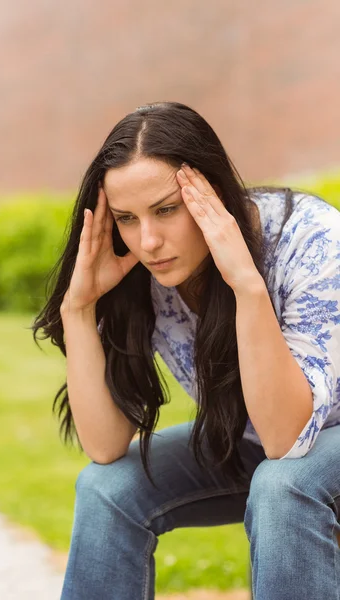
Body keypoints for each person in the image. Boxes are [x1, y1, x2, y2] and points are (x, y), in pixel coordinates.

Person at [32, 101, 340, 600]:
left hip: (311, 438)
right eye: (128, 219)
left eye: (166, 210)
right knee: (106, 489)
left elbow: (286, 439)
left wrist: (246, 284)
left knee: (283, 487)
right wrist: (79, 308)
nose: (148, 240)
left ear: (212, 194)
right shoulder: (145, 273)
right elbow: (105, 445)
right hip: (257, 439)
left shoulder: (314, 241)